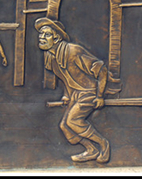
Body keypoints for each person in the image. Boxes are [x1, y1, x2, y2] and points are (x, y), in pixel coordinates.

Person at [35, 17, 110, 163]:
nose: (41, 37)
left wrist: (100, 96)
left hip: (90, 91)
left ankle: (104, 144)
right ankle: (91, 150)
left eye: (47, 34)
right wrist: (66, 95)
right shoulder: (50, 57)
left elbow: (102, 70)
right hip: (75, 93)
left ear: (56, 39)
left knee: (73, 121)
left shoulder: (73, 51)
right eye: (41, 34)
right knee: (65, 126)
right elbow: (65, 78)